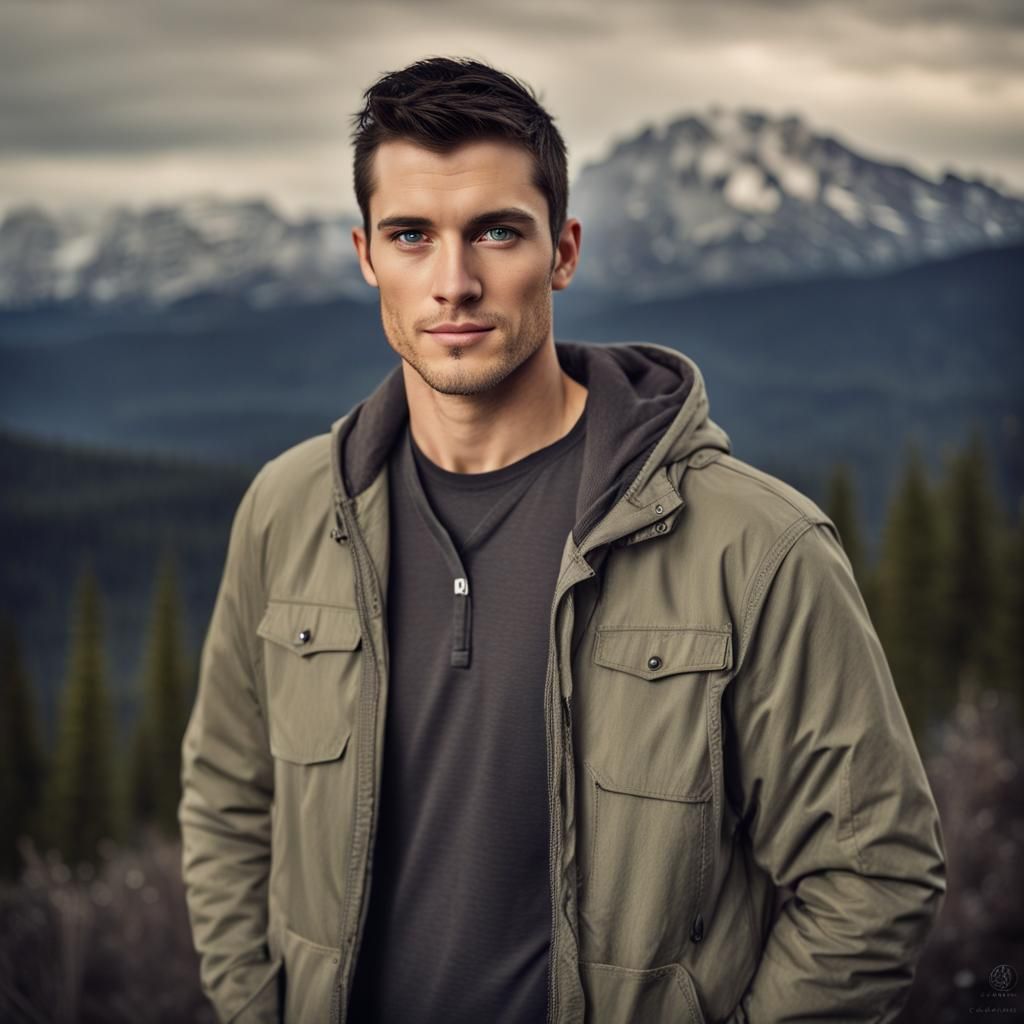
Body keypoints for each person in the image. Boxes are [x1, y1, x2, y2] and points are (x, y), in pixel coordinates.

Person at [179, 56, 946, 1024]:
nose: (453, 282)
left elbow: (872, 869)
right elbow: (227, 802)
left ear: (564, 251)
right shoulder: (289, 508)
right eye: (412, 236)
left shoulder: (754, 543)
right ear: (366, 254)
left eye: (497, 232)